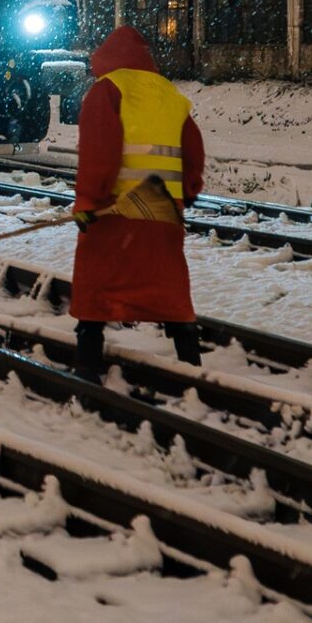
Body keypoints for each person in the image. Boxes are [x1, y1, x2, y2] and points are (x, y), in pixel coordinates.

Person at [69, 25, 206, 373]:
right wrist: (188, 190)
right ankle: (192, 366)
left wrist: (87, 201)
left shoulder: (107, 90)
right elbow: (192, 149)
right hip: (163, 214)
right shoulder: (169, 94)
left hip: (116, 214)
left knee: (96, 291)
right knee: (169, 290)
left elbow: (100, 153)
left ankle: (87, 371)